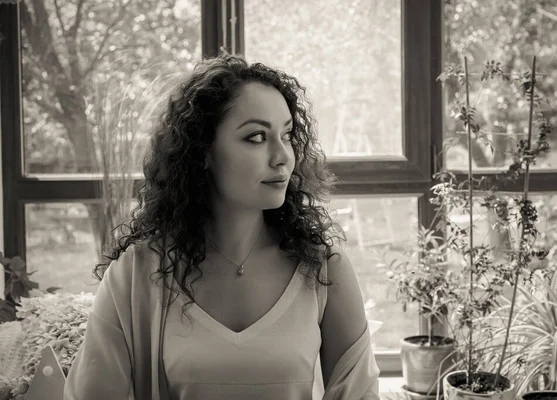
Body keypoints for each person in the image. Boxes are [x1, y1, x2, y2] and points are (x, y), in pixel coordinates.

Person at [64, 53, 380, 400]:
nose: (282, 156)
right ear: (204, 152)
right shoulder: (136, 274)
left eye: (287, 135)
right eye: (257, 137)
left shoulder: (323, 269)